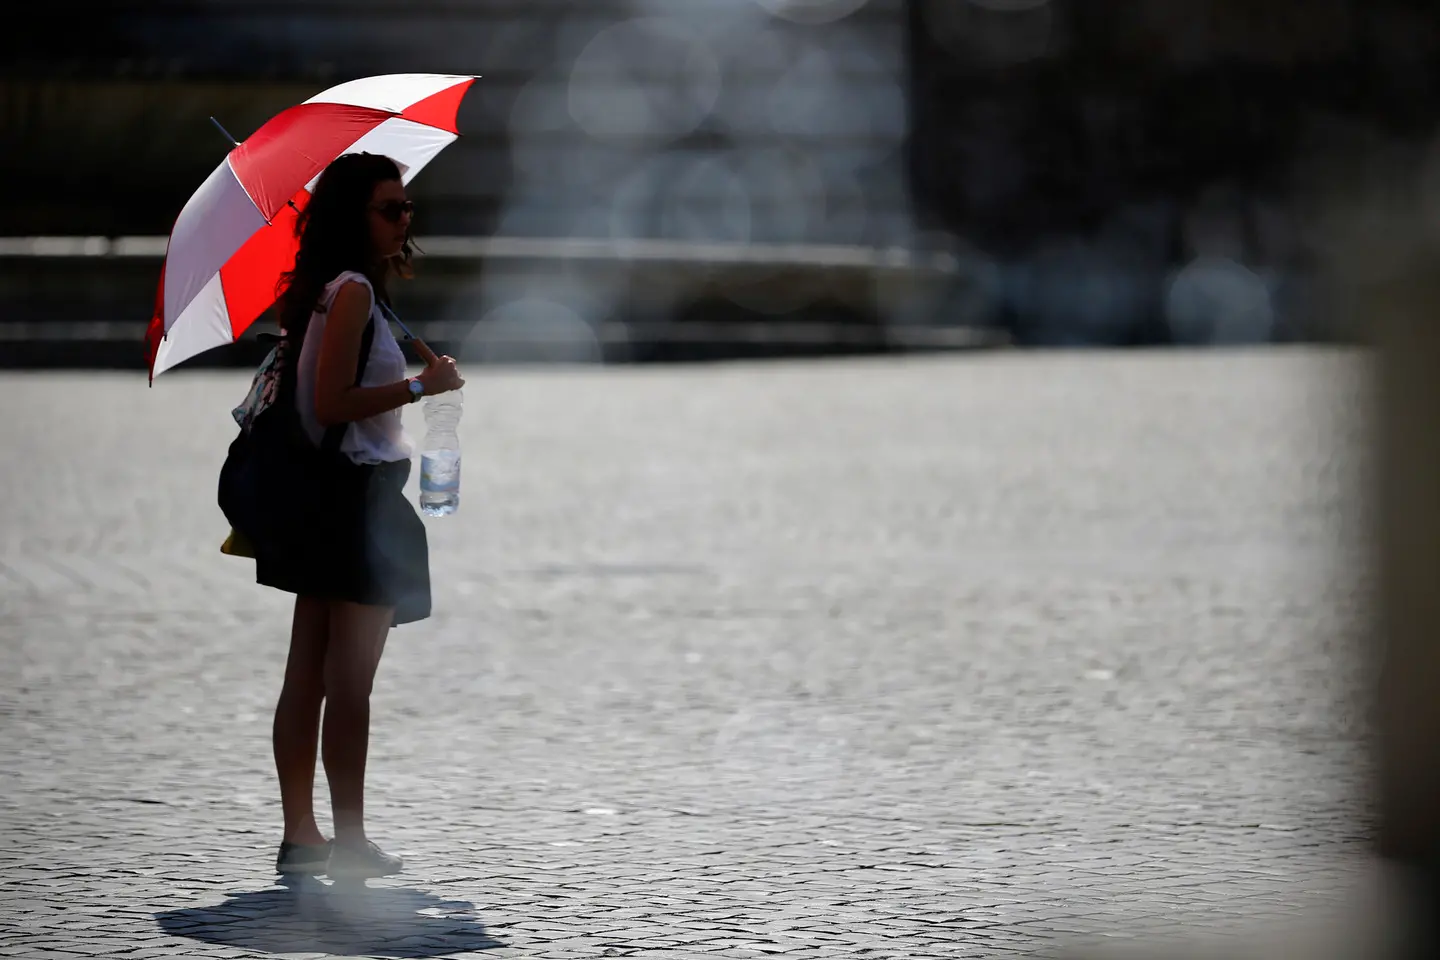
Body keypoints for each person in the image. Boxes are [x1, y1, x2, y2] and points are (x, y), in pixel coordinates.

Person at [250, 152, 464, 880]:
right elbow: (334, 403)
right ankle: (346, 839)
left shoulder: (333, 291)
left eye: (407, 208)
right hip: (358, 502)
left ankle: (303, 835)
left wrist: (414, 380)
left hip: (325, 497)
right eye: (391, 209)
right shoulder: (350, 296)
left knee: (307, 677)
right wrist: (419, 389)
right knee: (348, 686)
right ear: (355, 218)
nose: (406, 220)